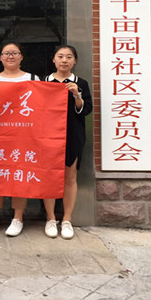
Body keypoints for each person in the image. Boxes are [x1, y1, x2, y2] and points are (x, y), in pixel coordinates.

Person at [0, 41, 39, 237]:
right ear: (0, 58)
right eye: (6, 53)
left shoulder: (33, 79)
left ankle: (18, 218)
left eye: (14, 53)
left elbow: (40, 107)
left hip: (23, 137)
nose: (10, 56)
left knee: (19, 175)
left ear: (21, 57)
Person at [42, 45, 92, 239]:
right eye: (60, 56)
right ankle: (51, 218)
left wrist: (76, 95)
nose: (64, 60)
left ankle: (67, 220)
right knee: (48, 177)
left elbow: (85, 110)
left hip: (73, 134)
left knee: (70, 178)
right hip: (47, 136)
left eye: (69, 57)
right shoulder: (44, 81)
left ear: (75, 61)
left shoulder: (81, 83)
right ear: (53, 60)